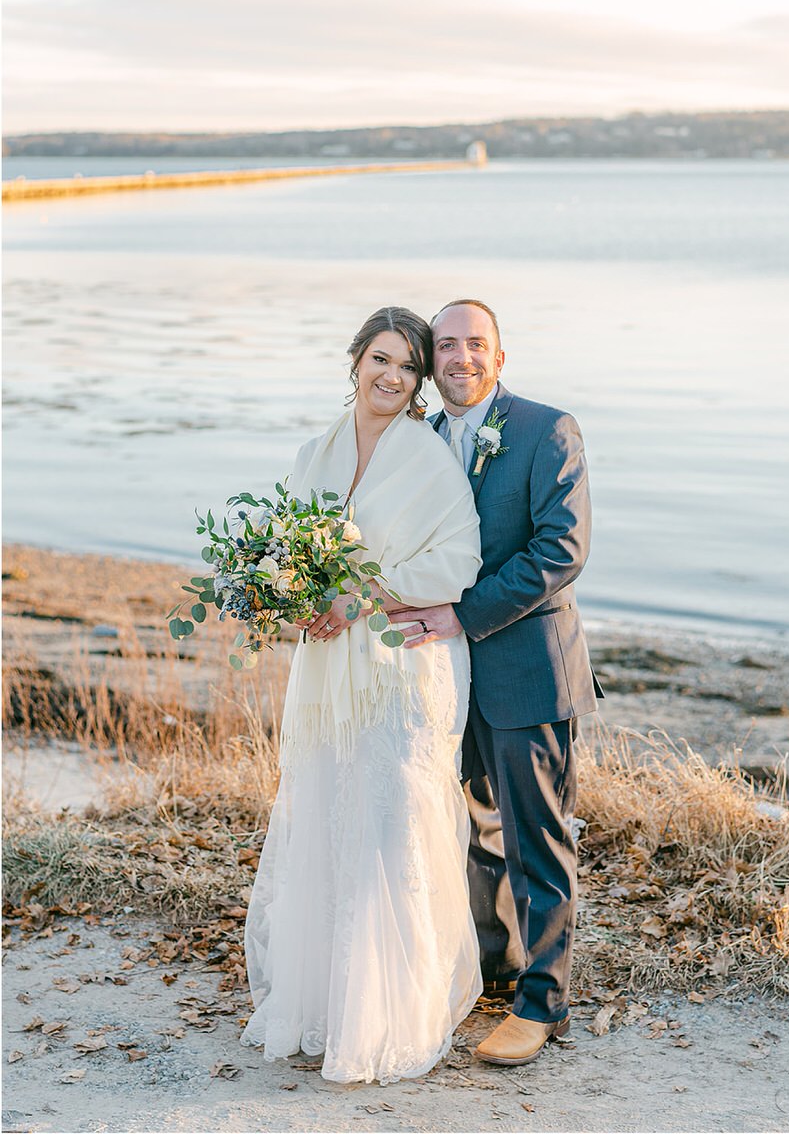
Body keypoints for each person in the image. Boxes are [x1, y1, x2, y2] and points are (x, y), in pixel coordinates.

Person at [239, 307, 483, 1085]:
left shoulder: (429, 457)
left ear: (417, 384)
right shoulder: (314, 453)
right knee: (325, 815)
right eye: (382, 359)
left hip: (400, 665)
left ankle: (391, 1017)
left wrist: (367, 593)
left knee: (387, 830)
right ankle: (324, 1007)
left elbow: (460, 560)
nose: (394, 376)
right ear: (354, 362)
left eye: (409, 367)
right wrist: (294, 600)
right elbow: (286, 550)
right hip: (327, 664)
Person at [393, 298, 603, 1067]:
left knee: (536, 838)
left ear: (499, 357)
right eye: (445, 346)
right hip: (447, 678)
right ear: (430, 360)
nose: (460, 358)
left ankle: (543, 1004)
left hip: (525, 669)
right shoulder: (419, 439)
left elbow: (562, 550)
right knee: (474, 832)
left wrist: (460, 613)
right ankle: (493, 968)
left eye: (475, 345)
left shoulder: (548, 430)